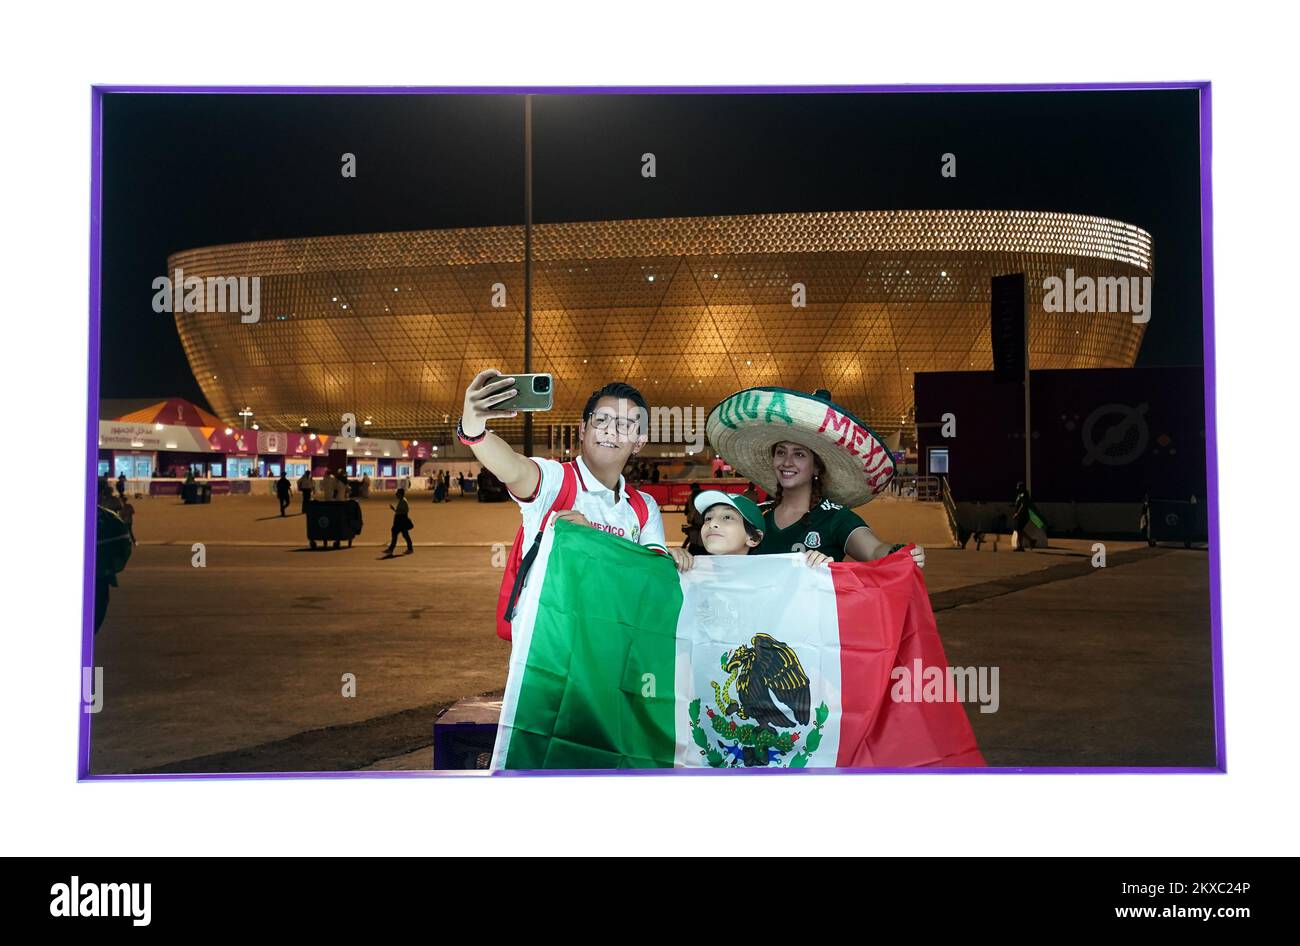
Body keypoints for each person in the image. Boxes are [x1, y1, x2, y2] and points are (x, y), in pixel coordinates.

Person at [458, 370, 676, 574]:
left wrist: (593, 539)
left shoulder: (644, 508)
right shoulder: (556, 480)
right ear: (583, 429)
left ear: (639, 442)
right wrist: (472, 430)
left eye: (625, 424)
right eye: (601, 420)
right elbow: (514, 469)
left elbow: (652, 574)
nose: (610, 430)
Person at [703, 387, 924, 568]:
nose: (787, 462)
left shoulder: (835, 518)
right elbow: (721, 557)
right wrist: (678, 560)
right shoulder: (756, 515)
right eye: (781, 452)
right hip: (756, 623)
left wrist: (902, 552)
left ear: (816, 468)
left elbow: (875, 550)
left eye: (799, 454)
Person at [383, 488, 414, 556]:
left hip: (401, 520)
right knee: (403, 534)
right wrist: (394, 509)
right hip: (400, 520)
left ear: (400, 494)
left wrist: (394, 509)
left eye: (398, 493)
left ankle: (391, 549)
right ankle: (409, 548)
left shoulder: (403, 501)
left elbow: (403, 511)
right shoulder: (402, 501)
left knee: (397, 534)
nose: (396, 494)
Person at [681, 482, 706, 554]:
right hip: (703, 521)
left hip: (694, 521)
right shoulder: (704, 495)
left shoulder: (690, 497)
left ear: (691, 488)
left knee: (692, 539)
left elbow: (686, 511)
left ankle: (683, 549)